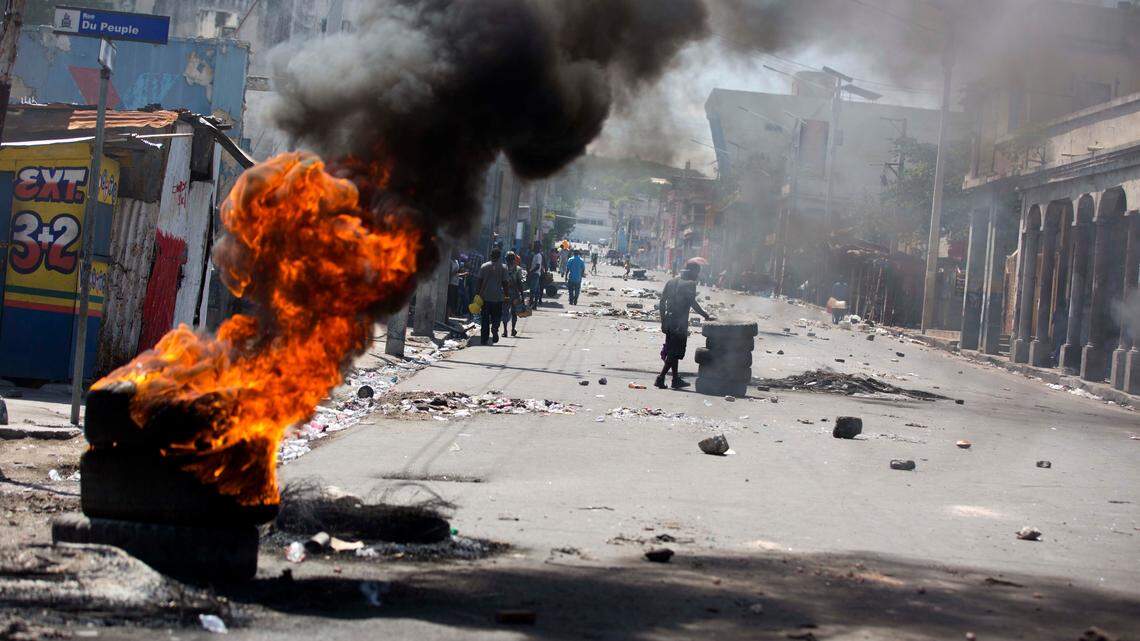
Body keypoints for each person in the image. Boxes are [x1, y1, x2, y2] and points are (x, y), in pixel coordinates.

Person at [656, 259, 714, 390]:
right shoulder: (690, 284)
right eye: (697, 272)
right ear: (692, 272)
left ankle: (675, 379)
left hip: (669, 320)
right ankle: (660, 378)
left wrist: (663, 320)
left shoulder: (671, 282)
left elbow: (661, 301)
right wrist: (705, 315)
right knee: (673, 352)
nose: (697, 275)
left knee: (673, 351)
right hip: (680, 323)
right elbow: (692, 302)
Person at [476, 247, 508, 344]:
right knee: (496, 316)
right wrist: (506, 296)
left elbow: (479, 281)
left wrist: (477, 294)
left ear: (491, 256)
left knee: (485, 318)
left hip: (485, 297)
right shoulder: (503, 267)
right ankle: (495, 328)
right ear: (499, 257)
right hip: (497, 297)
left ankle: (484, 338)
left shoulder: (484, 266)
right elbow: (505, 283)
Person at [502, 252, 526, 337]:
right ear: (514, 260)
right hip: (515, 294)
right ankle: (512, 330)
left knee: (504, 312)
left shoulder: (503, 268)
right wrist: (522, 295)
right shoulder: (518, 269)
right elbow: (519, 283)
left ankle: (505, 331)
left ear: (506, 259)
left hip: (505, 293)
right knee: (514, 312)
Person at [529, 241, 545, 308]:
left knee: (533, 290)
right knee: (536, 290)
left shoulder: (538, 256)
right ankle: (534, 304)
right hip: (536, 274)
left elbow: (538, 266)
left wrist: (531, 271)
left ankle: (532, 303)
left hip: (535, 274)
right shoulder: (536, 255)